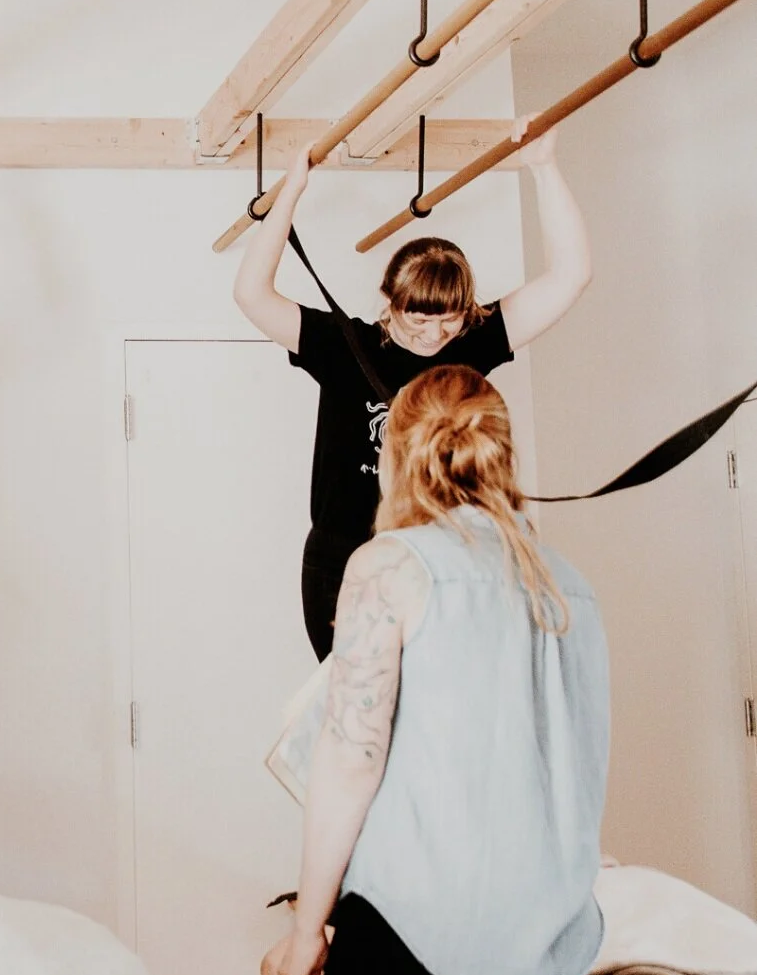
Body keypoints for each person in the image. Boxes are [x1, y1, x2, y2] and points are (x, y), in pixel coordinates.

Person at [275, 366, 610, 975]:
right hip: (536, 944)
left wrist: (305, 926)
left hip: (406, 934)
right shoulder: (568, 586)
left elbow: (351, 757)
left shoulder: (389, 565)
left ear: (397, 453)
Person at [232, 119, 591, 658]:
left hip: (438, 562)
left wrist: (543, 168)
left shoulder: (474, 343)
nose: (433, 335)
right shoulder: (346, 346)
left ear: (466, 311)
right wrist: (291, 194)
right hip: (344, 562)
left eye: (447, 321)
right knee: (362, 712)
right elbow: (251, 294)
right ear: (389, 302)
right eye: (416, 321)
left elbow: (571, 276)